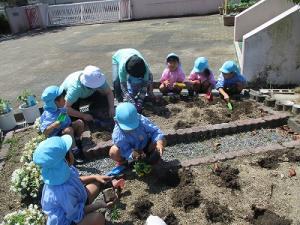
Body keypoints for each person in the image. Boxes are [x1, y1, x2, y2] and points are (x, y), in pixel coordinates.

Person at [33, 135, 116, 225]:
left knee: (97, 183)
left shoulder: (62, 170)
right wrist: (98, 205)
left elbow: (76, 179)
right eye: (69, 151)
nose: (72, 151)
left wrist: (95, 176)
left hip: (74, 203)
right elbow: (76, 214)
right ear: (66, 159)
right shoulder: (63, 191)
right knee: (98, 218)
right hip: (68, 220)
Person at [40, 85, 84, 162]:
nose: (65, 99)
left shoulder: (60, 108)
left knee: (79, 123)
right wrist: (55, 124)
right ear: (55, 102)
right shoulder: (50, 114)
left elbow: (63, 118)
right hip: (57, 135)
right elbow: (45, 131)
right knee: (69, 130)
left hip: (65, 128)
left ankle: (76, 141)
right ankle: (75, 152)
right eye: (62, 98)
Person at [112, 48, 154, 112]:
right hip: (117, 57)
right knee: (116, 81)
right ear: (129, 72)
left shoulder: (145, 67)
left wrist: (140, 101)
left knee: (149, 78)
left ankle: (148, 94)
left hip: (133, 52)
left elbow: (144, 86)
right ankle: (120, 101)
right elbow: (124, 87)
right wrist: (132, 101)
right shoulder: (122, 68)